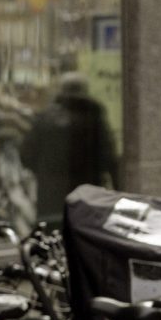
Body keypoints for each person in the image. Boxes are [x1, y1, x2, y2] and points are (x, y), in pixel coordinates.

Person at [19, 70, 120, 223]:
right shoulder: (93, 117)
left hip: (50, 197)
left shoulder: (45, 118)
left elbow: (26, 155)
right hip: (87, 194)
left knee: (52, 237)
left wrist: (45, 175)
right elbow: (108, 157)